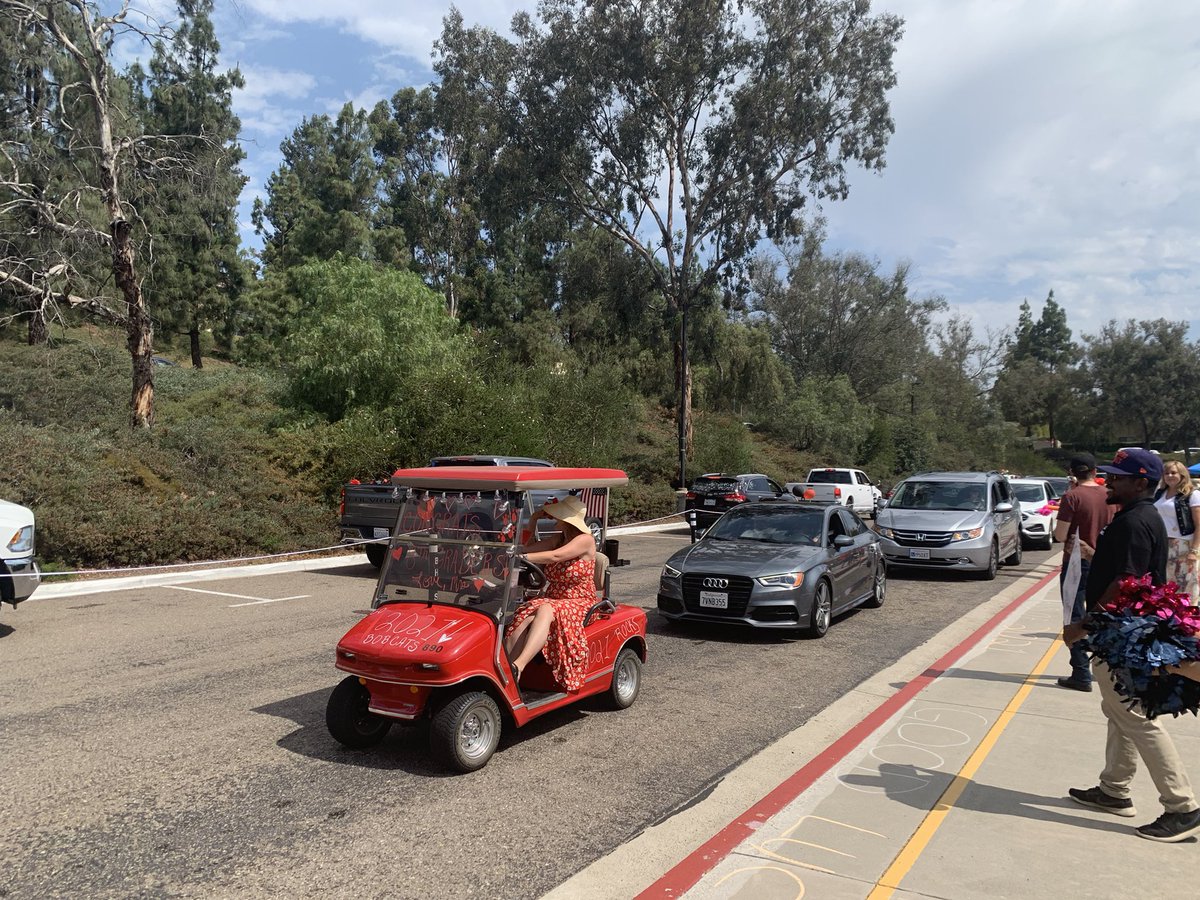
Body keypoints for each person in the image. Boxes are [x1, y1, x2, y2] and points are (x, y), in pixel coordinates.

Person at [1063, 448, 1200, 843]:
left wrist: (1083, 626)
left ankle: (1182, 807)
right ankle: (1114, 789)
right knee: (1121, 709)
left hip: (1124, 634)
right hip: (1125, 631)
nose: (1110, 481)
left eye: (1119, 477)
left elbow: (1127, 582)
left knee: (1136, 718)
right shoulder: (1136, 517)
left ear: (1140, 483)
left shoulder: (1135, 522)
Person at [504, 496, 596, 691]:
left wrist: (519, 557)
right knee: (523, 615)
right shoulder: (559, 539)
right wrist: (534, 519)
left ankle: (518, 666)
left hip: (579, 601)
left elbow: (556, 556)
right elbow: (526, 548)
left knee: (545, 607)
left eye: (558, 515)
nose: (555, 518)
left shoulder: (585, 540)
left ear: (566, 519)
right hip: (554, 598)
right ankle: (506, 674)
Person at [1053, 453, 1114, 692]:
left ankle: (1080, 672)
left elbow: (1060, 535)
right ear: (1095, 470)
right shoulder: (1110, 494)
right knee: (1101, 615)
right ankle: (1105, 669)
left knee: (1074, 615)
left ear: (1073, 472)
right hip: (1104, 561)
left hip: (1077, 562)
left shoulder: (1072, 497)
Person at [1154, 460, 1200, 598]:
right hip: (1163, 543)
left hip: (1184, 544)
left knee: (1186, 584)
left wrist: (1194, 550)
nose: (1169, 476)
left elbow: (1199, 525)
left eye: (1173, 473)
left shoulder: (1192, 494)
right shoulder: (1159, 493)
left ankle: (1190, 616)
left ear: (1182, 475)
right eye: (1166, 473)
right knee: (1167, 583)